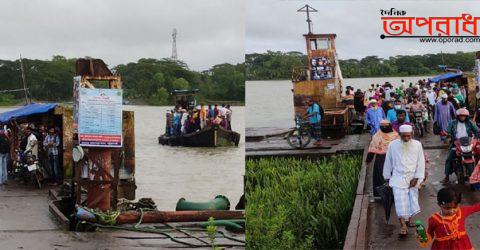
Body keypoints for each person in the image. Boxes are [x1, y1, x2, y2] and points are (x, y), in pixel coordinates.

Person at [383, 124, 425, 238]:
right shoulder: (393, 145)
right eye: (404, 136)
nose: (406, 138)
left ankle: (408, 221)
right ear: (399, 135)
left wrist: (417, 178)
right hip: (398, 178)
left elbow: (421, 162)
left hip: (413, 177)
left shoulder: (417, 145)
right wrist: (387, 176)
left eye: (408, 136)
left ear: (411, 134)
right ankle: (403, 226)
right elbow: (388, 161)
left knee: (411, 200)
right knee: (400, 202)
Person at [442, 108, 479, 184]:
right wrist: (445, 133)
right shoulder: (452, 123)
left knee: (477, 154)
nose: (462, 117)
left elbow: (476, 131)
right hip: (456, 143)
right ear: (458, 116)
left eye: (464, 116)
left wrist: (477, 137)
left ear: (466, 116)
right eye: (461, 116)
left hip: (468, 143)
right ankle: (446, 177)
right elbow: (447, 130)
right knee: (449, 158)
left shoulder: (469, 123)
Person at [366, 120, 399, 200]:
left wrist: (368, 160)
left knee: (384, 177)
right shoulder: (395, 136)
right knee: (386, 177)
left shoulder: (378, 136)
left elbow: (371, 151)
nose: (384, 128)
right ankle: (388, 196)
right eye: (382, 126)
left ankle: (385, 195)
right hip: (386, 160)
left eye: (385, 126)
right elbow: (372, 151)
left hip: (386, 160)